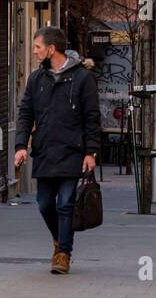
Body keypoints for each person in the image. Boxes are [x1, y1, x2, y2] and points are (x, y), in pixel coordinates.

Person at [14, 26, 100, 276]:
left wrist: (90, 152)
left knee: (65, 204)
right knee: (43, 205)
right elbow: (25, 113)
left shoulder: (82, 78)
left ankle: (63, 253)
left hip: (73, 151)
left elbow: (92, 118)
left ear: (51, 49)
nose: (34, 51)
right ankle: (58, 239)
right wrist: (21, 145)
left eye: (38, 47)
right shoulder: (36, 78)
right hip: (45, 151)